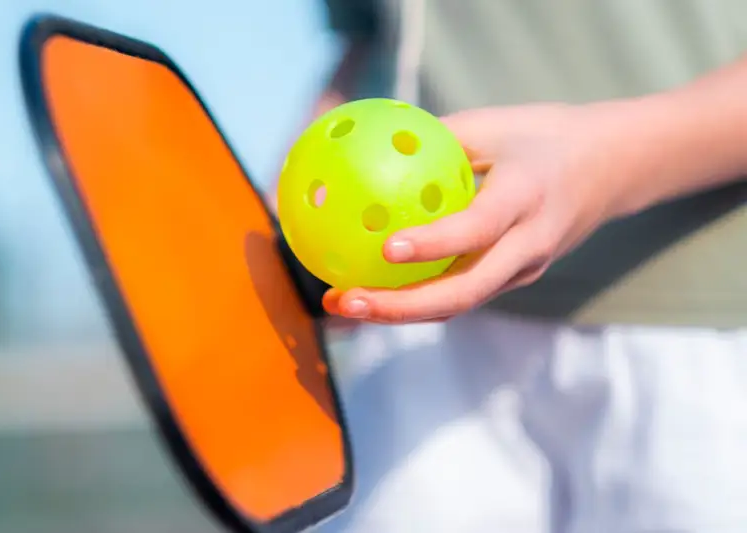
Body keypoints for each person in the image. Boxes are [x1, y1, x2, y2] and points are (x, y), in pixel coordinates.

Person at [274, 2, 747, 532]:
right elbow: (366, 38)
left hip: (693, 323)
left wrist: (610, 160)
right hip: (418, 344)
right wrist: (286, 232)